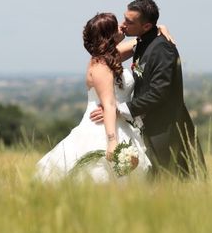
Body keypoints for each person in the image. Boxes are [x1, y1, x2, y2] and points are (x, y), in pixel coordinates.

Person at [91, 0, 206, 178]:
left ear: (145, 26)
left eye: (130, 22)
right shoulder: (142, 42)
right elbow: (105, 56)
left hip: (166, 130)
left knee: (174, 181)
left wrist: (120, 110)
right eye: (124, 18)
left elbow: (159, 92)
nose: (123, 25)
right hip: (148, 127)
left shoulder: (162, 48)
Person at [35, 12, 152, 182]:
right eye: (116, 25)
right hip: (104, 127)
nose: (122, 26)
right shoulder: (100, 66)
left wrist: (159, 29)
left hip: (120, 122)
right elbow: (109, 105)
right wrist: (112, 141)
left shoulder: (111, 57)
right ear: (109, 35)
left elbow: (140, 41)